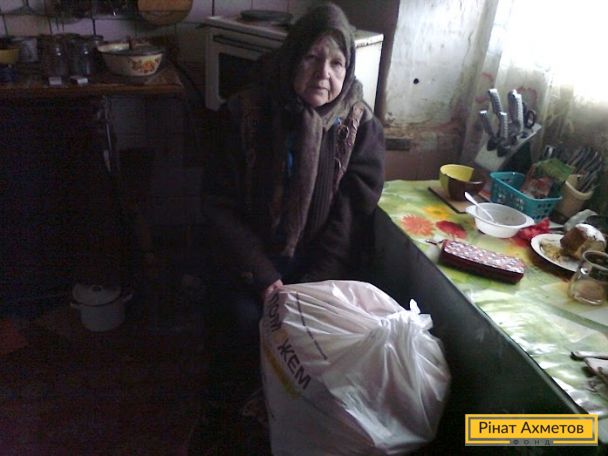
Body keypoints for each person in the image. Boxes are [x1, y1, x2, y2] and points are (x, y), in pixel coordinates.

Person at [195, 2, 385, 451]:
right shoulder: (244, 112)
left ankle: (290, 421)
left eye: (336, 63)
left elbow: (349, 219)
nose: (323, 74)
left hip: (318, 271)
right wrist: (264, 278)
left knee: (322, 345)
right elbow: (219, 206)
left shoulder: (359, 127)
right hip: (249, 265)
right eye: (311, 57)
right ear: (291, 57)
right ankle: (233, 420)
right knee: (243, 326)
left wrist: (307, 290)